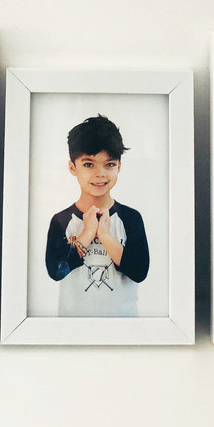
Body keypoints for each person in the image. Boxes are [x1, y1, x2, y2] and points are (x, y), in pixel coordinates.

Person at [45, 114, 149, 316]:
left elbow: (139, 272)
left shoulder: (131, 218)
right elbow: (56, 272)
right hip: (73, 327)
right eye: (88, 164)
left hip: (124, 326)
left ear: (119, 166)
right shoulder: (61, 220)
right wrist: (86, 234)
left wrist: (106, 237)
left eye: (109, 164)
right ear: (72, 167)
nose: (100, 173)